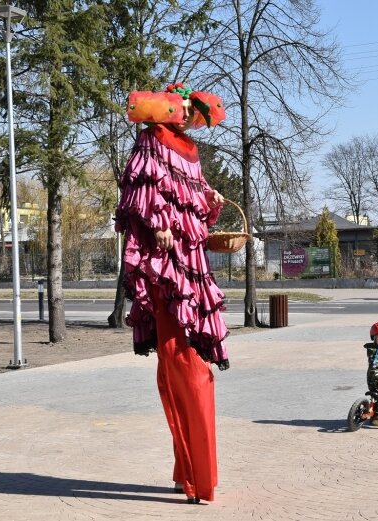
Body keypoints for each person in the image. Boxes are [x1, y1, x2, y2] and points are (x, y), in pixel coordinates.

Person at [115, 82, 228, 504]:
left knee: (184, 368)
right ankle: (198, 475)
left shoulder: (189, 150)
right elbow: (138, 195)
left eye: (187, 107)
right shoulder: (149, 142)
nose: (183, 113)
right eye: (178, 106)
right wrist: (157, 221)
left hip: (192, 269)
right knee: (182, 367)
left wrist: (210, 198)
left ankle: (191, 471)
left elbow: (195, 206)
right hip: (166, 271)